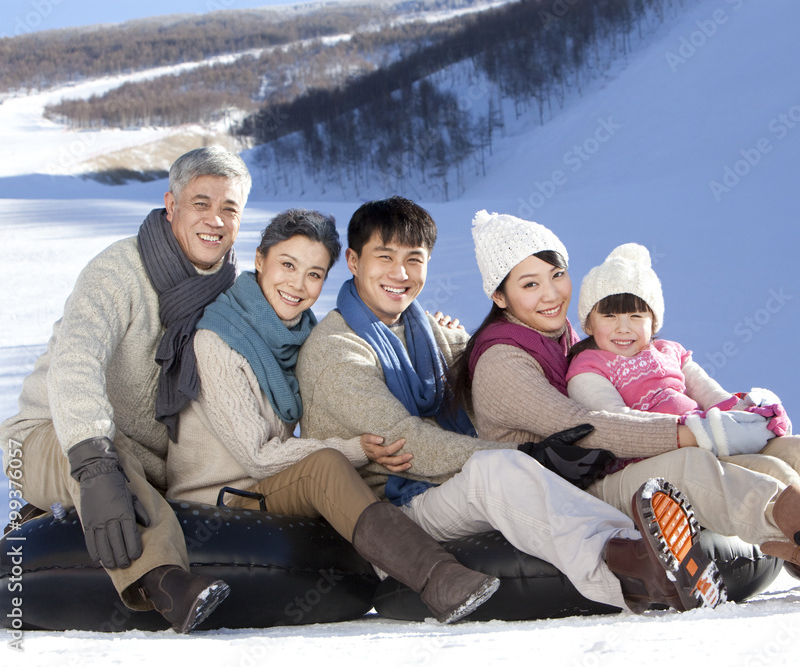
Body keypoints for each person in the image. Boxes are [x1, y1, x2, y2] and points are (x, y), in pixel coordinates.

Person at [460, 210, 800, 601]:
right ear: (499, 296)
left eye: (557, 275)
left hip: (623, 466)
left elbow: (684, 386)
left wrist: (749, 412)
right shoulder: (504, 360)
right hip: (569, 498)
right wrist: (696, 432)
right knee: (693, 464)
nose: (551, 294)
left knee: (776, 455)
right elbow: (586, 427)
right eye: (529, 284)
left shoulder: (570, 334)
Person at [295, 196, 726, 613]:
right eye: (384, 257)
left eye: (414, 258)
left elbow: (486, 366)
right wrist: (527, 455)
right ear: (353, 262)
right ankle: (632, 572)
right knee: (496, 470)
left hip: (442, 493)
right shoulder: (336, 351)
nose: (401, 272)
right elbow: (412, 448)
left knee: (514, 469)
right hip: (392, 516)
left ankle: (656, 550)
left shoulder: (428, 331)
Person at [166, 208, 500, 624]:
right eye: (287, 265)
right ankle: (437, 579)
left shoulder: (301, 334)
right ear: (259, 259)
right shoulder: (217, 341)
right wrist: (357, 449)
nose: (298, 284)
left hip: (271, 489)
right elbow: (257, 456)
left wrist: (439, 330)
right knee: (326, 464)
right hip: (221, 498)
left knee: (329, 465)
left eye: (314, 274)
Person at [0, 146, 252, 633]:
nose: (215, 220)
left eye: (230, 208)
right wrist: (93, 465)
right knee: (109, 456)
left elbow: (285, 343)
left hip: (150, 462)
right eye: (201, 203)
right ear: (171, 204)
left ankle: (36, 527)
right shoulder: (120, 270)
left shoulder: (231, 294)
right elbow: (76, 359)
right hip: (52, 435)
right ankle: (164, 583)